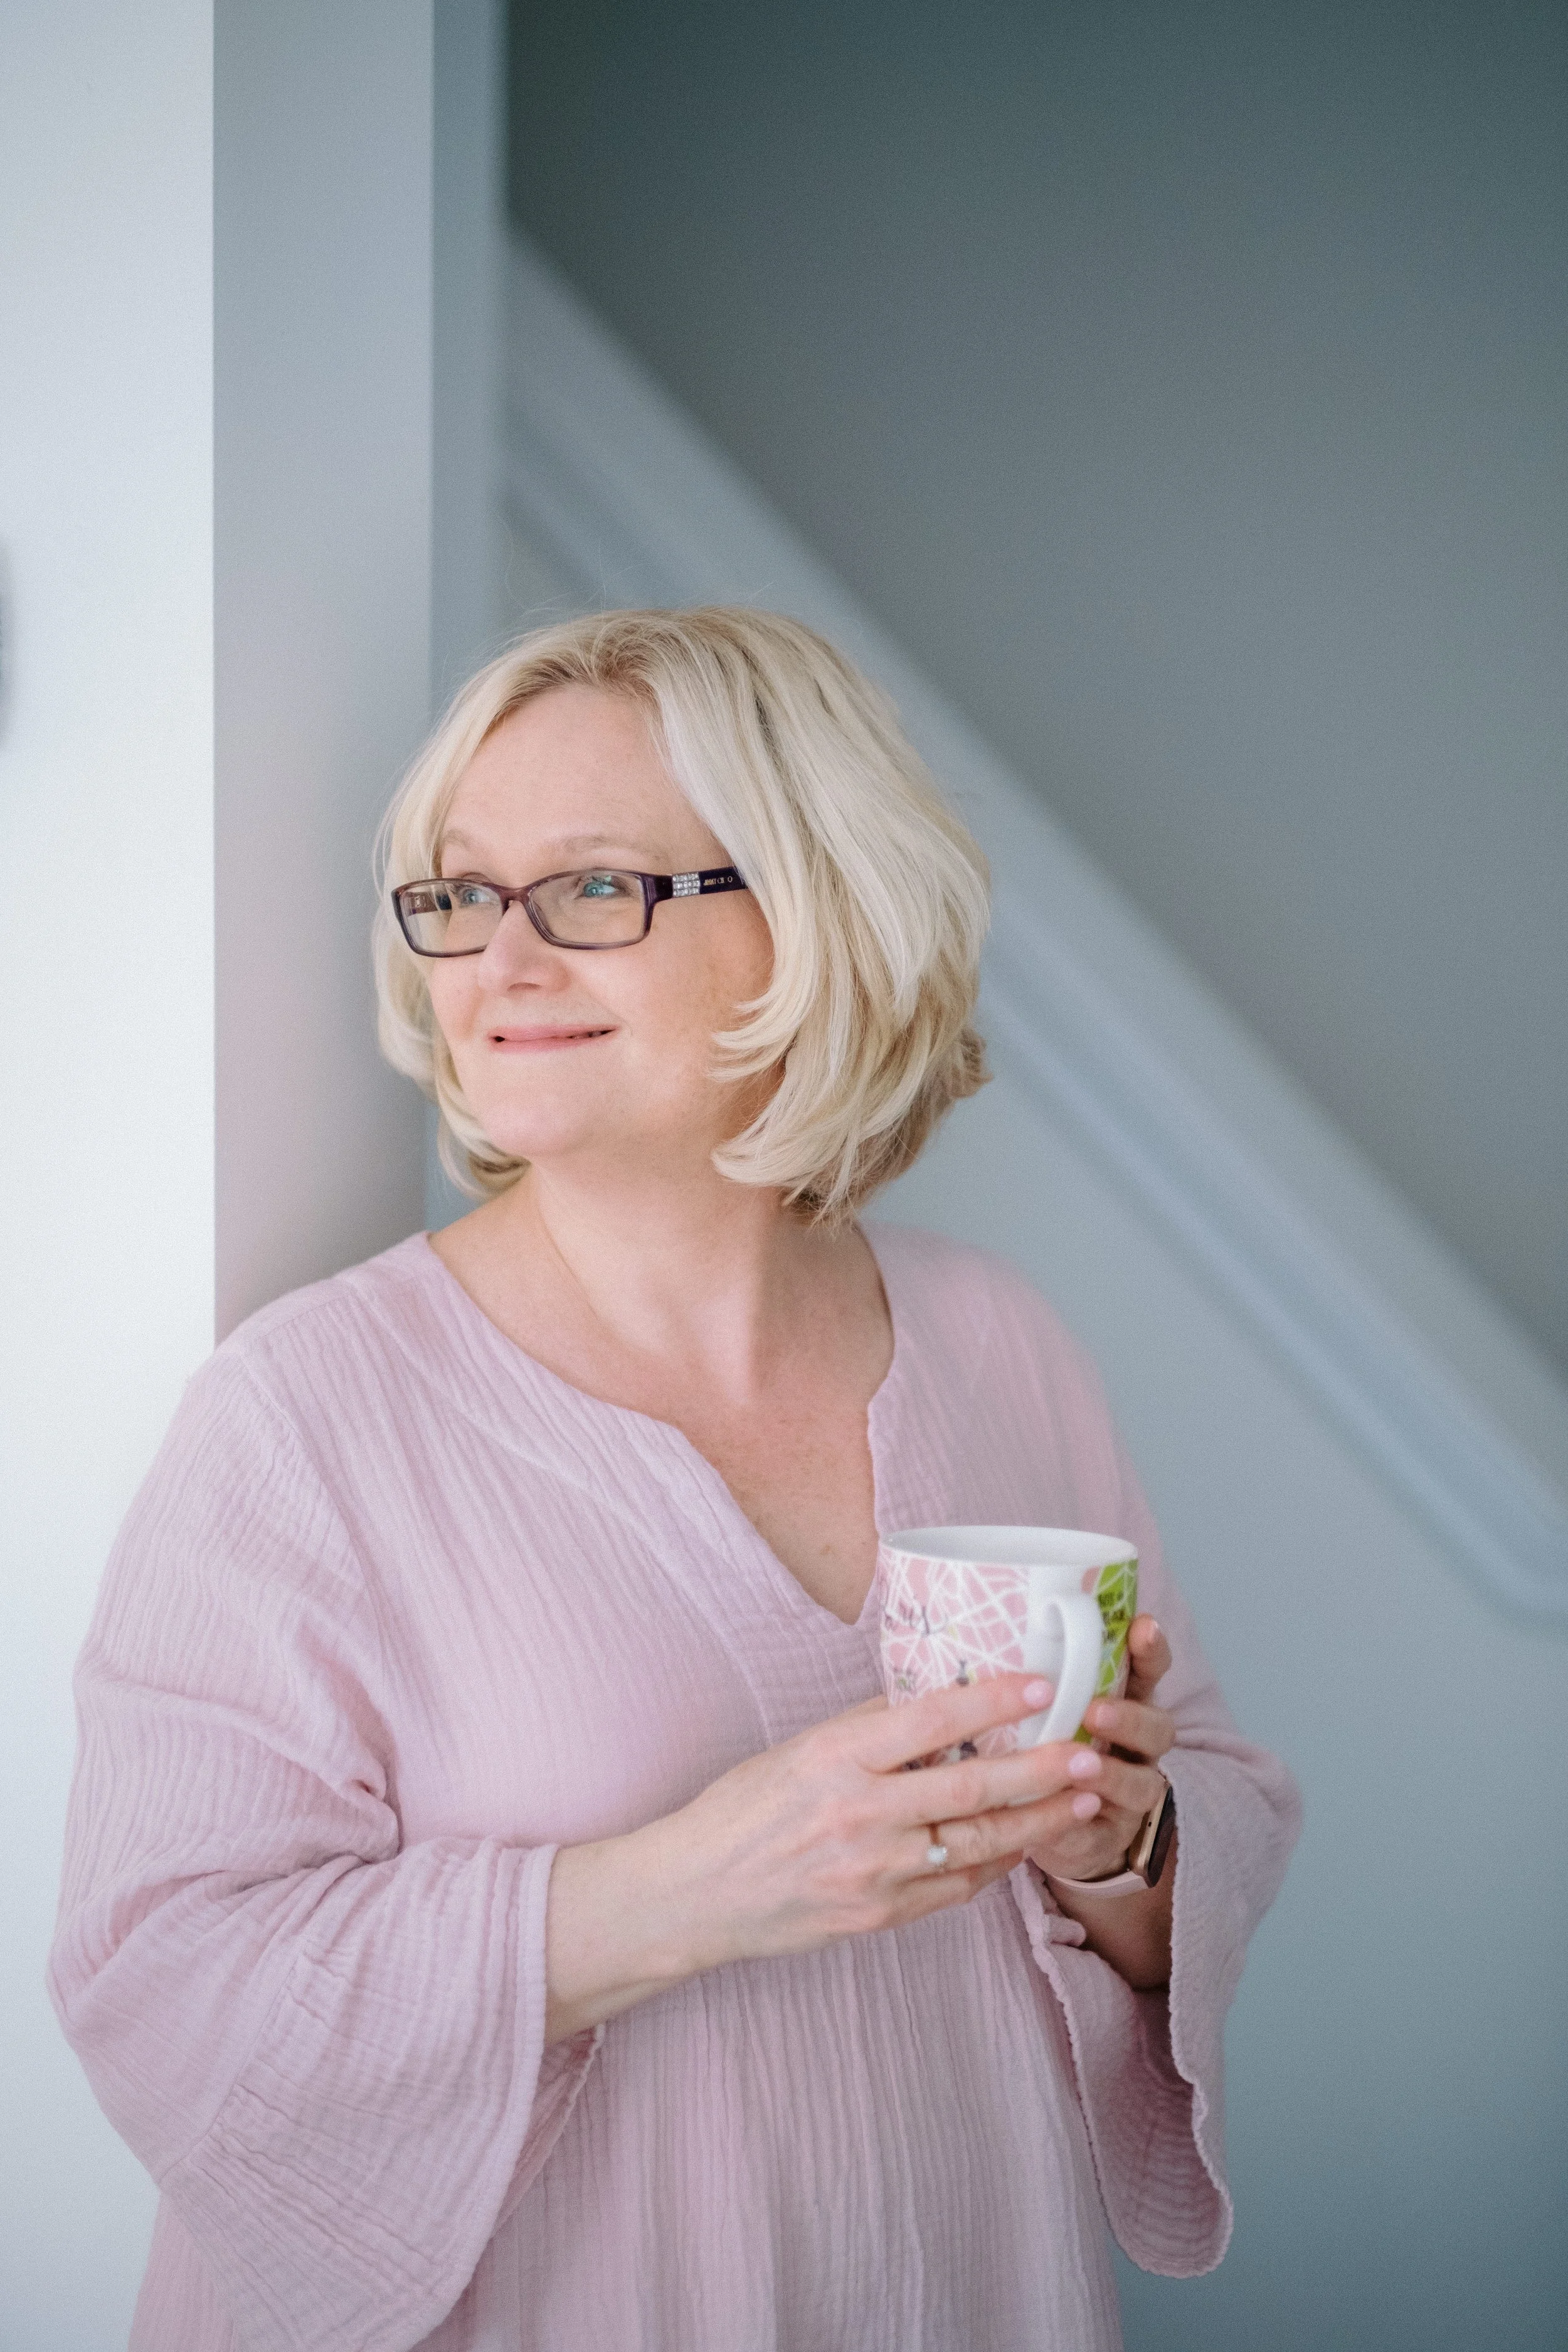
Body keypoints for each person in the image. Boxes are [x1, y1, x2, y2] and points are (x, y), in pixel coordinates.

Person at [51, 607, 1300, 2352]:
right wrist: (688, 1884)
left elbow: (1213, 1783)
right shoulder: (305, 1414)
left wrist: (1121, 1835)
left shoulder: (997, 1342)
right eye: (457, 894)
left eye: (590, 889)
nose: (497, 959)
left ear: (816, 911)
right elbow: (161, 1985)